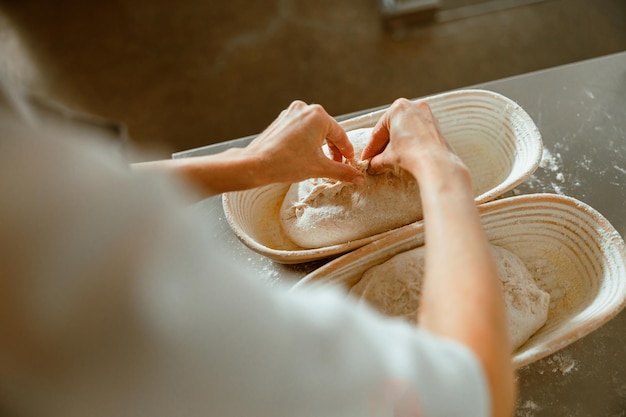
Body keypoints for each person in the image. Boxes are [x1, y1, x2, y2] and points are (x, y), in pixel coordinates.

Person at [0, 89, 515, 416]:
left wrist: (244, 164)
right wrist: (442, 171)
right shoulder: (62, 280)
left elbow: (80, 201)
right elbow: (470, 393)